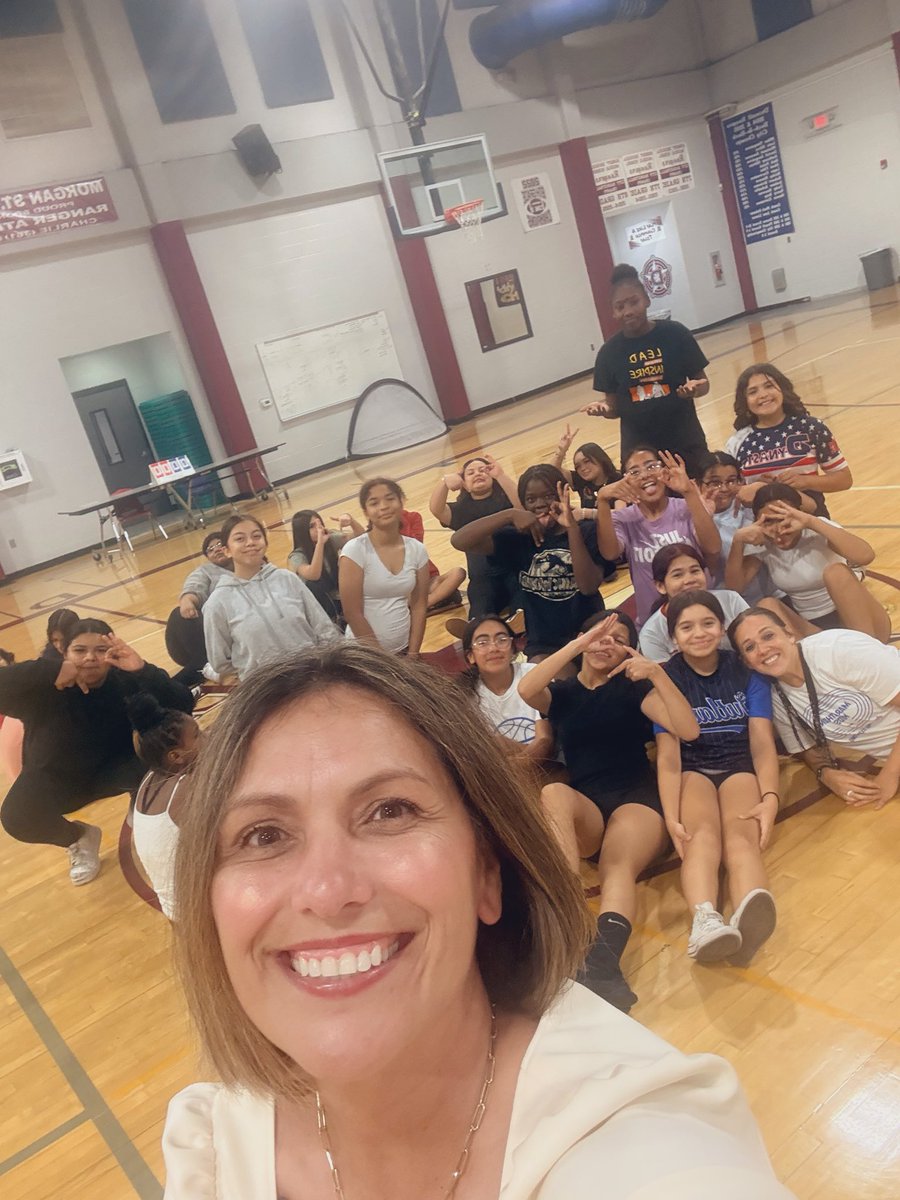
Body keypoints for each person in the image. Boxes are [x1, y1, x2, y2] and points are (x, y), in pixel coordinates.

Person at [162, 641, 794, 1198]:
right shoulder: (211, 1143)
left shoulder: (637, 1140)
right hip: (583, 800)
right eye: (263, 834)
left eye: (390, 812)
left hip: (629, 801)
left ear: (488, 873)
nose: (327, 892)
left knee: (622, 867)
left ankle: (613, 941)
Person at [518, 612, 699, 1012]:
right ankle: (567, 915)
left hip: (636, 801)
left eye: (618, 638)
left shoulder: (634, 690)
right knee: (553, 792)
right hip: (590, 809)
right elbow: (527, 688)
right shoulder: (562, 694)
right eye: (600, 635)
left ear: (628, 651)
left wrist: (657, 674)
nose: (607, 643)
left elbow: (688, 729)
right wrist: (579, 643)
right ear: (582, 640)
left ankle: (603, 960)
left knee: (615, 868)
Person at [0, 620, 193, 885]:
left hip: (117, 771)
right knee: (16, 817)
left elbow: (183, 703)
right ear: (64, 652)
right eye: (79, 650)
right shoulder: (43, 688)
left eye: (101, 650)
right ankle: (79, 837)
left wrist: (143, 669)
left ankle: (141, 802)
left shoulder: (125, 680)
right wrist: (49, 669)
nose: (90, 658)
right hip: (56, 779)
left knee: (163, 752)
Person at [653, 591, 780, 965]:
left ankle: (748, 915)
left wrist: (770, 797)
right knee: (701, 838)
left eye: (708, 623)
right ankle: (705, 921)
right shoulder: (666, 678)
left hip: (738, 766)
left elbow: (761, 743)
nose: (699, 633)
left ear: (722, 627)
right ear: (674, 637)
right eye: (686, 627)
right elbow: (668, 756)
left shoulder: (744, 670)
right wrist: (671, 817)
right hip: (693, 770)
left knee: (741, 839)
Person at [730, 608, 900, 811]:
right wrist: (826, 774)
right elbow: (807, 748)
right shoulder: (774, 696)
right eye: (750, 647)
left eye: (768, 636)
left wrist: (890, 774)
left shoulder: (839, 650)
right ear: (747, 662)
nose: (763, 649)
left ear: (789, 634)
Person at [451, 465, 612, 667]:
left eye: (548, 496)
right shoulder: (518, 537)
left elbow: (588, 586)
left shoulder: (587, 531)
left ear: (563, 494)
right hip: (544, 643)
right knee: (542, 680)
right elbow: (459, 540)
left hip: (591, 635)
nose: (540, 504)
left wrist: (571, 527)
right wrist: (509, 515)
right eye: (531, 499)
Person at [581, 263, 711, 474]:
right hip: (638, 449)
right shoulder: (608, 353)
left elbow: (703, 384)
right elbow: (614, 408)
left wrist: (694, 390)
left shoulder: (676, 334)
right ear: (613, 312)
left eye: (634, 302)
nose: (628, 311)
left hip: (685, 439)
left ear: (647, 300)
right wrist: (605, 410)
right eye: (620, 307)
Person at [724, 483, 890, 641]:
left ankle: (869, 651)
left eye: (783, 518)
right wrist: (738, 541)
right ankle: (810, 656)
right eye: (769, 521)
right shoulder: (762, 543)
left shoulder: (816, 529)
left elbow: (865, 556)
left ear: (798, 514)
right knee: (767, 604)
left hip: (864, 621)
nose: (778, 528)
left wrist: (811, 522)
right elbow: (735, 587)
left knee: (836, 572)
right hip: (816, 629)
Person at [595, 447, 721, 628]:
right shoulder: (623, 519)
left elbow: (713, 548)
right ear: (625, 480)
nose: (645, 475)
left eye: (651, 466)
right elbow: (610, 553)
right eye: (635, 472)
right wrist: (602, 500)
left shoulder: (687, 506)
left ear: (664, 471)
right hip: (654, 622)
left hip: (702, 612)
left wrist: (689, 492)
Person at [204, 515, 340, 681]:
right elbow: (220, 661)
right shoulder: (217, 603)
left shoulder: (287, 579)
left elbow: (323, 627)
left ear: (265, 543)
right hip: (267, 688)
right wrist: (254, 670)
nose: (250, 543)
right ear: (227, 550)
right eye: (240, 539)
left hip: (313, 678)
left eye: (256, 536)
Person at [726, 363, 851, 517]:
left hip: (812, 521)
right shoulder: (737, 442)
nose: (763, 395)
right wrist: (758, 487)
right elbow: (730, 489)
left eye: (769, 386)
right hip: (763, 525)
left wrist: (805, 482)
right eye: (753, 392)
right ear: (744, 401)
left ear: (782, 389)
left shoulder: (811, 428)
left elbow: (844, 479)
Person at [127, 694, 201, 920]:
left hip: (177, 913)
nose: (207, 737)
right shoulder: (185, 790)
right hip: (198, 914)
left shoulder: (151, 779)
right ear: (176, 755)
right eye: (198, 735)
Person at [339, 478, 431, 657]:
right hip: (364, 655)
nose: (384, 506)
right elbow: (352, 613)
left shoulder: (417, 549)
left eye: (390, 499)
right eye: (374, 503)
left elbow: (419, 605)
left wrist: (413, 654)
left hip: (404, 650)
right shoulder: (355, 550)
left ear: (401, 502)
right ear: (366, 512)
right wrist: (385, 661)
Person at [429, 453, 520, 618]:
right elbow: (437, 509)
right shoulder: (460, 510)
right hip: (483, 578)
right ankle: (476, 623)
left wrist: (501, 475)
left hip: (514, 570)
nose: (477, 473)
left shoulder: (507, 499)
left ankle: (519, 620)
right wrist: (444, 483)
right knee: (480, 603)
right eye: (470, 473)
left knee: (521, 598)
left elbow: (521, 507)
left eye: (483, 470)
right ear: (464, 483)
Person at [460, 614, 553, 762]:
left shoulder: (533, 674)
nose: (493, 648)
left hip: (547, 765)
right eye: (483, 643)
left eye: (502, 640)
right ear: (470, 655)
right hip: (500, 769)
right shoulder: (466, 693)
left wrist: (515, 763)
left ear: (513, 649)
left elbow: (545, 740)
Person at [639, 543, 750, 662]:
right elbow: (662, 673)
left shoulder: (731, 600)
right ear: (660, 586)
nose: (689, 580)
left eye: (695, 571)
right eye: (678, 575)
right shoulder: (651, 634)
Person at [164, 532, 232, 683]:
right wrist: (187, 600)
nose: (216, 549)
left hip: (237, 634)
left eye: (220, 544)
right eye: (210, 549)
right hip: (201, 641)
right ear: (208, 557)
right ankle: (205, 664)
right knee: (178, 615)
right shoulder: (206, 571)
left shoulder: (250, 565)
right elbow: (194, 586)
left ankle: (200, 669)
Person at [288, 510, 361, 625]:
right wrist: (320, 544)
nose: (319, 528)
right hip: (320, 608)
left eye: (319, 523)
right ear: (302, 532)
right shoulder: (296, 556)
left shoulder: (329, 539)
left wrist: (352, 522)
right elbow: (314, 574)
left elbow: (360, 538)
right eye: (312, 526)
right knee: (313, 584)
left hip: (339, 596)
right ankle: (335, 621)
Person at [398, 507, 467, 613]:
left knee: (458, 573)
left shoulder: (413, 517)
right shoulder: (375, 530)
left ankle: (425, 604)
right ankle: (435, 599)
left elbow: (415, 546)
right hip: (402, 588)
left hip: (427, 581)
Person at [551, 426, 623, 518]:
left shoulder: (618, 479)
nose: (583, 468)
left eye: (587, 461)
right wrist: (561, 451)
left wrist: (586, 513)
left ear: (600, 458)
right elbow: (551, 471)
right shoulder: (581, 480)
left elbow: (621, 514)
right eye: (578, 466)